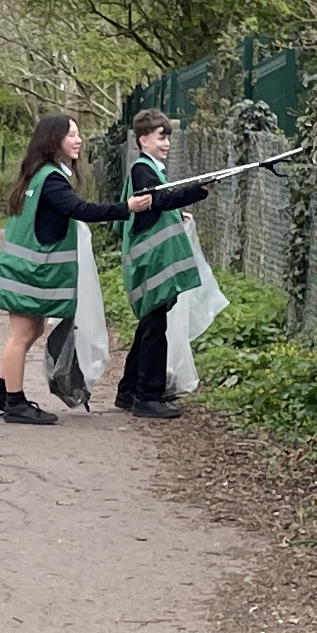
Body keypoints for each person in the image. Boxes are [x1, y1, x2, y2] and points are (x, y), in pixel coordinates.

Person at [0, 112, 206, 425]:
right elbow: (81, 210)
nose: (78, 140)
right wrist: (126, 208)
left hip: (22, 268)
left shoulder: (39, 174)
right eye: (72, 134)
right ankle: (15, 402)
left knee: (28, 330)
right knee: (21, 335)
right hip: (28, 271)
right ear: (53, 141)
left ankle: (0, 390)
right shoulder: (50, 179)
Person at [114, 110, 210, 419]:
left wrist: (176, 214)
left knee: (149, 325)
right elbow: (159, 200)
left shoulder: (150, 169)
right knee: (155, 327)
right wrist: (198, 191)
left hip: (153, 264)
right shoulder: (144, 170)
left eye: (167, 136)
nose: (166, 142)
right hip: (152, 264)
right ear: (143, 140)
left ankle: (129, 390)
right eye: (160, 136)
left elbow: (155, 208)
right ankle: (147, 395)